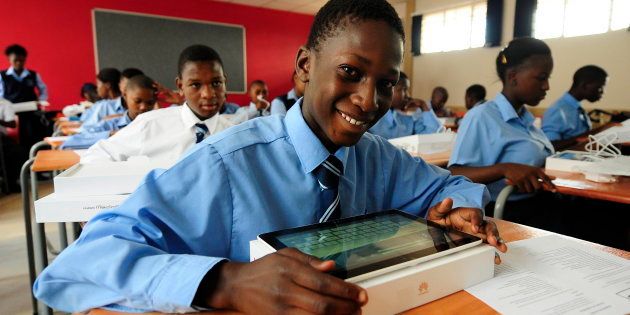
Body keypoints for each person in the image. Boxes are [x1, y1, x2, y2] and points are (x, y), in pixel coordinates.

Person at [33, 1, 506, 313]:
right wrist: (225, 282)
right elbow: (78, 265)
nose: (369, 99)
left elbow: (449, 185)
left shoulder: (375, 156)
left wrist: (464, 209)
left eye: (386, 83)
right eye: (350, 72)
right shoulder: (224, 166)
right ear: (304, 67)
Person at [448, 37, 558, 228]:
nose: (547, 86)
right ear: (513, 77)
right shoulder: (481, 116)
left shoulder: (526, 119)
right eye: (541, 78)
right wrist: (504, 168)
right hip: (511, 211)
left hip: (541, 202)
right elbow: (455, 173)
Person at [79, 45, 234, 165]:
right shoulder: (149, 125)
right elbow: (95, 156)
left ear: (224, 82)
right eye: (195, 85)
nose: (208, 93)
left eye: (216, 83)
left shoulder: (235, 133)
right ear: (180, 86)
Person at [542, 65, 607, 150]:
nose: (603, 92)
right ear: (585, 85)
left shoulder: (576, 108)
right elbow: (550, 145)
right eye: (600, 87)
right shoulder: (558, 110)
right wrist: (579, 140)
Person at [1, 44, 50, 149]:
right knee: (15, 143)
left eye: (22, 60)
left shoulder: (32, 75)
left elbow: (43, 89)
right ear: (9, 60)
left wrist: (41, 101)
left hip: (31, 113)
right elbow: (1, 96)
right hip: (11, 114)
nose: (19, 63)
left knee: (32, 138)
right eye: (15, 60)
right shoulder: (3, 76)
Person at [369, 71, 442, 139]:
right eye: (403, 90)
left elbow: (433, 134)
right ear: (388, 90)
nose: (408, 95)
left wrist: (424, 107)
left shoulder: (407, 117)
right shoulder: (372, 116)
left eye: (407, 90)